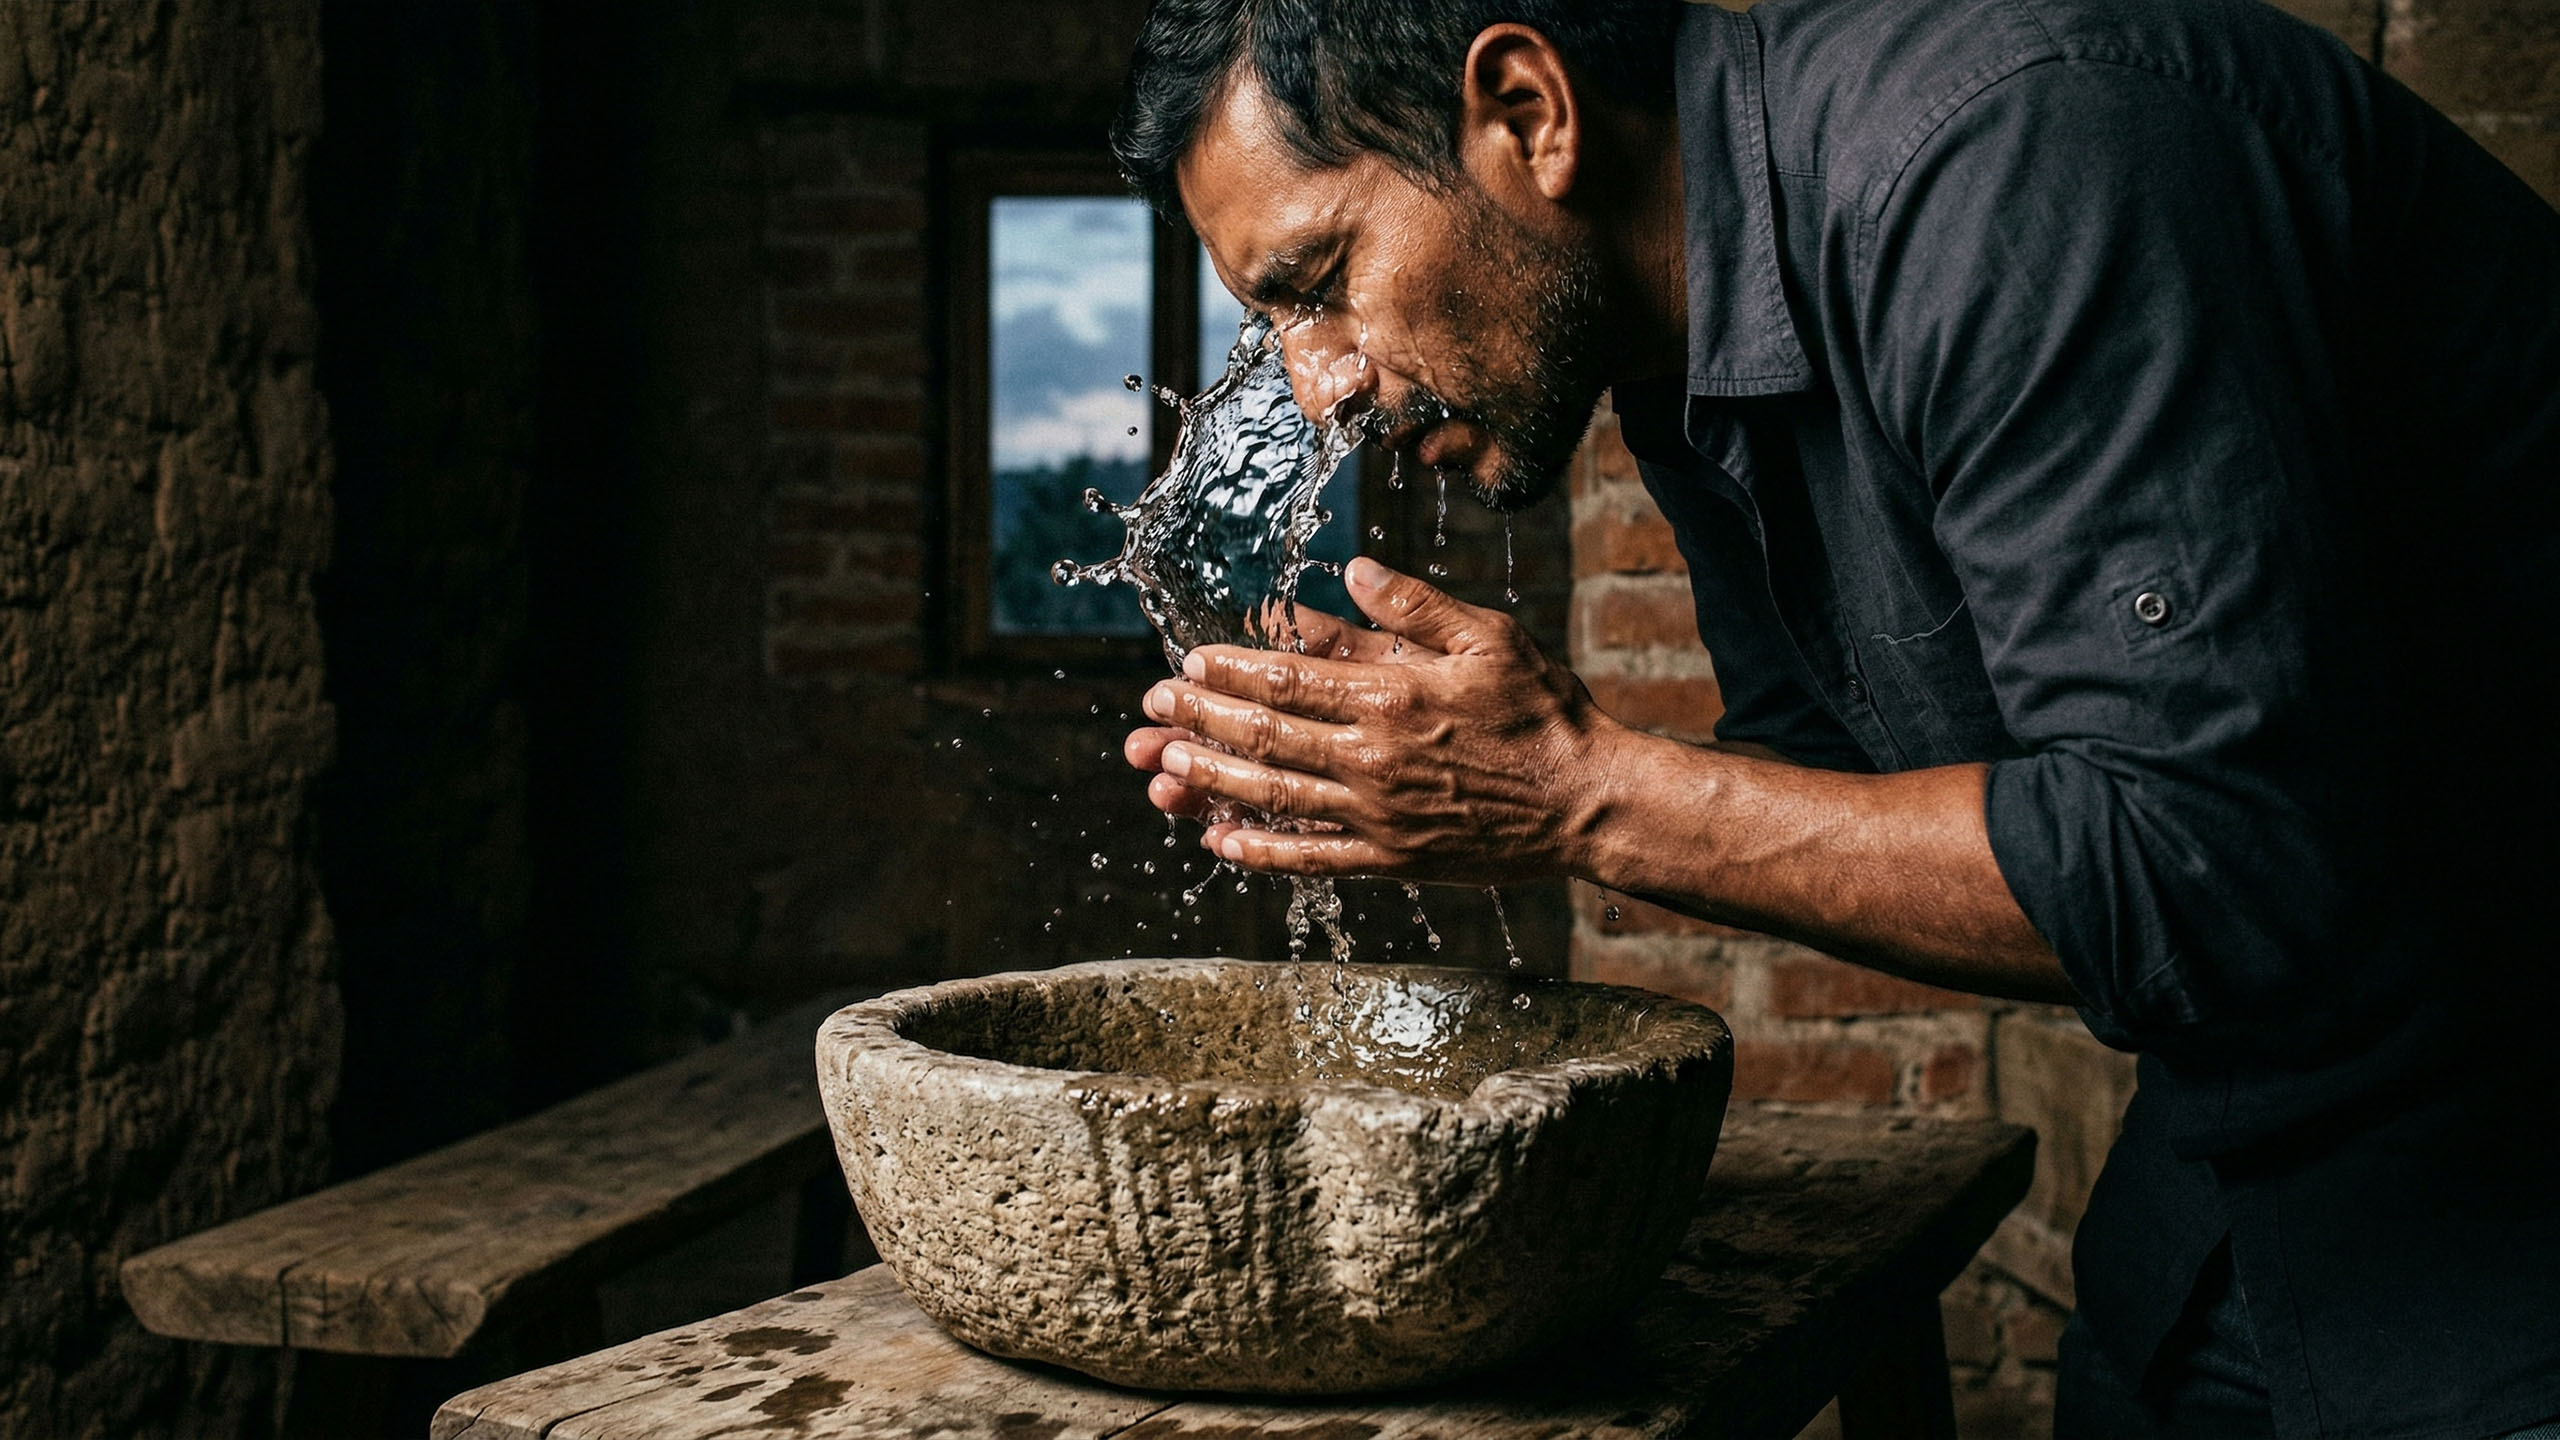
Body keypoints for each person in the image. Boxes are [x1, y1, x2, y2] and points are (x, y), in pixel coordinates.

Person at [1107, 0, 2560, 1433]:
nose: (1319, 388)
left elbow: (2209, 860)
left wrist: (1577, 795)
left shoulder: (2014, 153)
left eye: (1317, 282)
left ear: (1528, 114)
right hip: (2253, 1154)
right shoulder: (1679, 352)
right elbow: (1848, 802)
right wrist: (1471, 797)